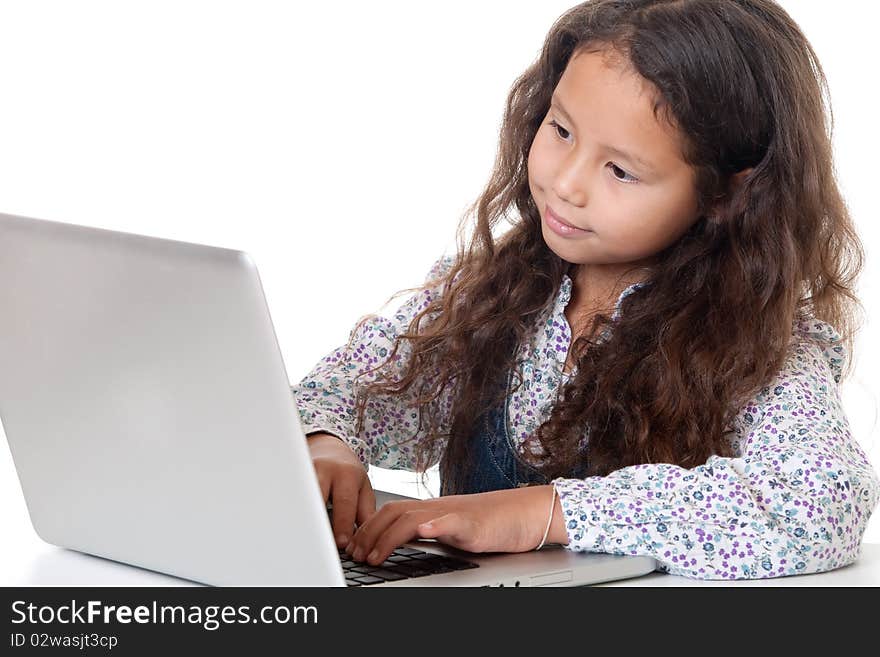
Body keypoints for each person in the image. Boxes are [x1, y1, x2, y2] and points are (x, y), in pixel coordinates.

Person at [291, 0, 880, 580]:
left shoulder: (761, 347)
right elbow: (346, 386)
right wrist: (325, 442)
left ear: (727, 195)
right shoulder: (488, 292)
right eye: (561, 129)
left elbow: (817, 504)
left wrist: (545, 512)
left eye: (621, 171)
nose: (567, 184)